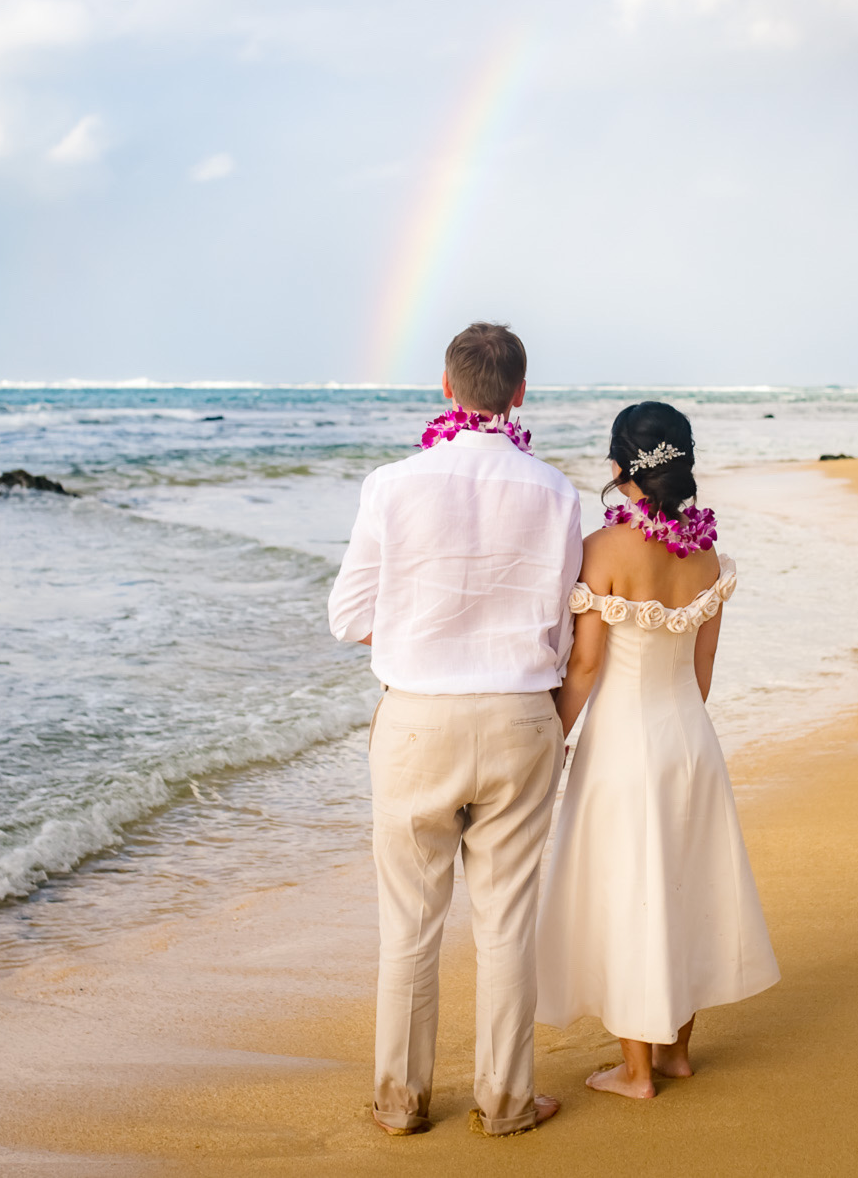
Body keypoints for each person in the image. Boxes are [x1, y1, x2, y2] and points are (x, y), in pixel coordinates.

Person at [328, 322, 582, 1137]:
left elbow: (348, 617)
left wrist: (420, 629)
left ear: (446, 388)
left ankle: (401, 1102)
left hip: (419, 718)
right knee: (507, 918)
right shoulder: (555, 490)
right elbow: (565, 628)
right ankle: (506, 1101)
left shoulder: (393, 484)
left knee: (409, 921)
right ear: (518, 394)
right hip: (519, 715)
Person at [536, 401, 779, 1099]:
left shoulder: (604, 550)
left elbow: (583, 667)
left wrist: (552, 737)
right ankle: (674, 1052)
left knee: (630, 890)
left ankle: (635, 1070)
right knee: (683, 883)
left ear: (618, 468)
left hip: (623, 744)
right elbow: (702, 677)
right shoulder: (704, 552)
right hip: (689, 740)